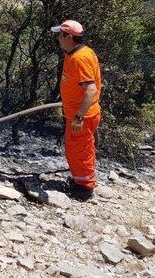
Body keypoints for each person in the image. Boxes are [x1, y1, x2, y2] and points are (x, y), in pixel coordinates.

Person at [51, 19, 102, 199]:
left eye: (60, 35)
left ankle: (84, 189)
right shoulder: (75, 53)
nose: (57, 38)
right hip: (76, 114)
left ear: (69, 36)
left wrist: (79, 117)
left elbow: (91, 89)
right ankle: (79, 180)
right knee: (75, 150)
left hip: (82, 117)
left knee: (81, 151)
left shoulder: (81, 58)